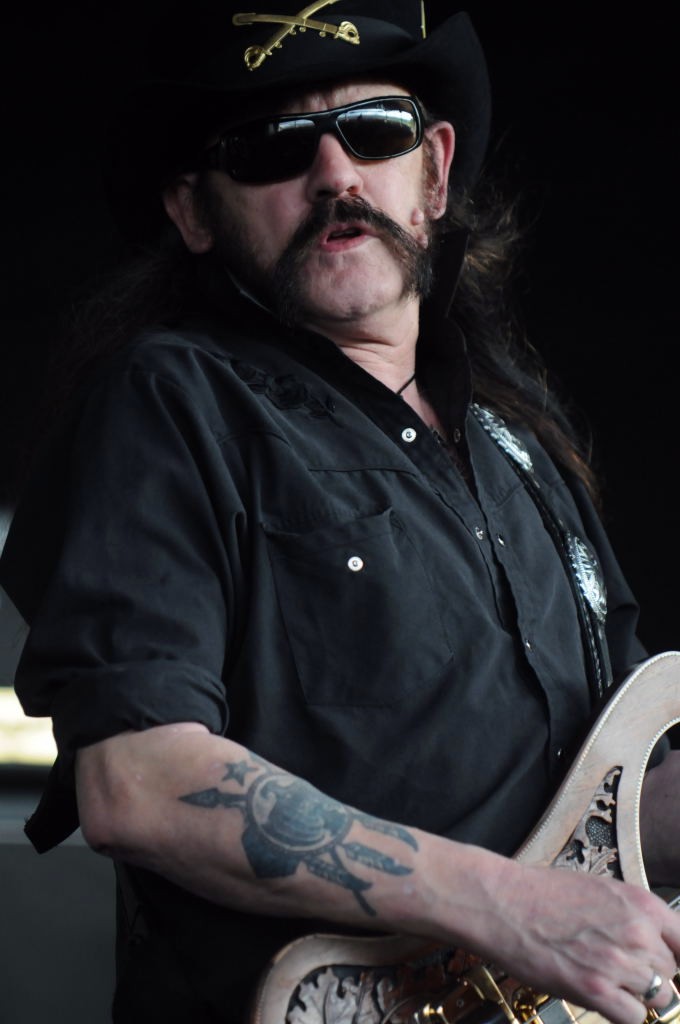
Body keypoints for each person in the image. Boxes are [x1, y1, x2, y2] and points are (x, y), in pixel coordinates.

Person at [1, 3, 679, 1022]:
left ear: (433, 173)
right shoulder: (175, 401)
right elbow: (137, 782)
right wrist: (506, 906)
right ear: (194, 212)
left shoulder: (521, 448)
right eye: (272, 147)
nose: (333, 174)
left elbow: (621, 804)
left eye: (373, 130)